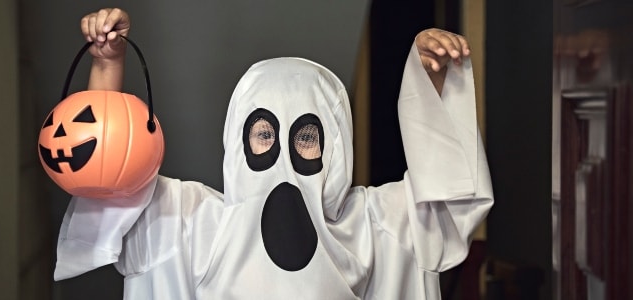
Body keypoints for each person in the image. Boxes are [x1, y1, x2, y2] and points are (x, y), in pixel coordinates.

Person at [53, 7, 493, 300]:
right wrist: (107, 64)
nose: (282, 151)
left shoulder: (375, 227)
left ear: (335, 146)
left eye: (306, 136)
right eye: (264, 133)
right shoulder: (190, 223)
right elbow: (105, 178)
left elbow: (448, 197)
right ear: (237, 140)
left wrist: (431, 84)